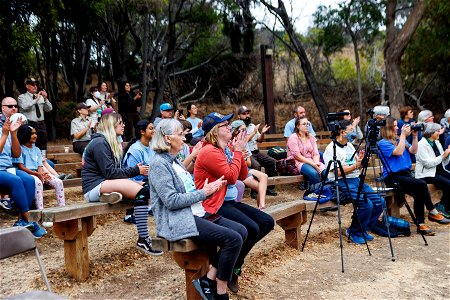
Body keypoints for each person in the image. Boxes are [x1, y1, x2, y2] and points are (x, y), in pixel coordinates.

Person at [149, 118, 244, 300]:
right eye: (180, 134)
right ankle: (220, 290)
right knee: (233, 239)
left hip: (195, 212)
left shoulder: (173, 161)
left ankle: (208, 280)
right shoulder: (159, 164)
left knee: (240, 230)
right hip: (176, 220)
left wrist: (209, 190)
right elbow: (171, 201)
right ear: (167, 139)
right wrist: (204, 192)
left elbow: (189, 191)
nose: (184, 138)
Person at [194, 112, 275, 294]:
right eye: (225, 125)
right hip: (214, 205)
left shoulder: (225, 149)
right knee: (250, 229)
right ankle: (224, 273)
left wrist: (241, 151)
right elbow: (231, 178)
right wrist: (237, 152)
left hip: (228, 201)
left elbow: (241, 175)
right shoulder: (209, 152)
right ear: (215, 131)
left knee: (266, 222)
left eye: (229, 123)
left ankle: (233, 267)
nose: (229, 126)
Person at [82, 112, 162, 255]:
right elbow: (110, 173)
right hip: (95, 186)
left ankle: (108, 195)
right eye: (120, 123)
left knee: (147, 190)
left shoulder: (109, 142)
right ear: (111, 125)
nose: (124, 125)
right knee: (142, 192)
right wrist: (136, 170)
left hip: (106, 183)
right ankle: (143, 238)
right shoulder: (100, 143)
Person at [378, 116, 449, 236]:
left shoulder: (398, 139)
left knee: (419, 191)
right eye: (394, 126)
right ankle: (432, 211)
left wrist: (415, 136)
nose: (397, 128)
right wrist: (403, 136)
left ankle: (421, 225)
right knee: (421, 184)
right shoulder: (382, 143)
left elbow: (413, 150)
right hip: (392, 176)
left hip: (405, 175)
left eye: (397, 125)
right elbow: (398, 152)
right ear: (387, 128)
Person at [323, 119, 384, 244]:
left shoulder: (350, 146)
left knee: (380, 202)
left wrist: (361, 162)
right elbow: (337, 172)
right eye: (351, 130)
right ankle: (353, 231)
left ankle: (363, 229)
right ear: (342, 132)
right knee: (367, 204)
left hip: (356, 179)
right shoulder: (331, 149)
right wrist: (356, 165)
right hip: (341, 181)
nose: (354, 133)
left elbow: (356, 164)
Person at [0, 97, 46, 237]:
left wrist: (13, 134)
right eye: (10, 106)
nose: (13, 108)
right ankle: (30, 220)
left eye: (15, 106)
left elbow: (16, 153)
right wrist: (5, 133)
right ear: (2, 108)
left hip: (8, 168)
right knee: (17, 181)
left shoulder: (13, 126)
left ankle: (21, 220)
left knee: (29, 180)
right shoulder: (3, 128)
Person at [15, 124, 65, 214]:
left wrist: (42, 174)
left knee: (58, 182)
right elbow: (21, 167)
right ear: (25, 135)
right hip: (27, 174)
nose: (35, 135)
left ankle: (62, 209)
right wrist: (37, 175)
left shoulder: (37, 149)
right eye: (32, 134)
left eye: (35, 133)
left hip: (37, 173)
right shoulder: (20, 149)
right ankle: (40, 212)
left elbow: (39, 166)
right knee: (38, 183)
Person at [237, 105, 278, 196]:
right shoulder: (238, 126)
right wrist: (254, 132)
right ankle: (255, 190)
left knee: (272, 162)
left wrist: (262, 133)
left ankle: (269, 187)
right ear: (238, 116)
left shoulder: (252, 126)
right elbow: (244, 140)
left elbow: (259, 140)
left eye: (248, 113)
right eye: (244, 114)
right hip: (247, 153)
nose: (247, 115)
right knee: (256, 166)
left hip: (256, 151)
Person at [122, 120, 155, 224]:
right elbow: (132, 176)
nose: (154, 131)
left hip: (148, 179)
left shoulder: (150, 147)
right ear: (142, 132)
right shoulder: (135, 150)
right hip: (134, 182)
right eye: (151, 128)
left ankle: (151, 207)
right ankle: (130, 214)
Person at [415, 122, 450, 219]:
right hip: (427, 174)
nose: (440, 133)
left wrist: (447, 155)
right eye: (437, 131)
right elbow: (428, 164)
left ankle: (446, 207)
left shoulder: (436, 142)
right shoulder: (421, 145)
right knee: (448, 184)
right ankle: (441, 206)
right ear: (430, 133)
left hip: (438, 171)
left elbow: (444, 161)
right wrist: (443, 155)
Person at [230, 120, 268, 209]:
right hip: (236, 170)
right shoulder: (230, 142)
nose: (245, 132)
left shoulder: (244, 142)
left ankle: (262, 205)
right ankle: (261, 208)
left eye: (246, 130)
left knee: (264, 176)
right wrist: (239, 155)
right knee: (260, 188)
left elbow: (249, 163)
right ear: (236, 131)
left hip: (244, 168)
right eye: (243, 130)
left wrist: (244, 157)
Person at [287, 117, 326, 197]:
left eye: (308, 124)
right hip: (298, 162)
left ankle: (327, 194)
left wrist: (316, 163)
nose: (307, 125)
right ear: (298, 126)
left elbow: (315, 153)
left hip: (312, 160)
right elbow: (297, 156)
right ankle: (315, 195)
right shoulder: (293, 137)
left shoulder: (311, 137)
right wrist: (313, 165)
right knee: (314, 174)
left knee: (325, 172)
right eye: (304, 124)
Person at [17, 78, 53, 150]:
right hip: (29, 124)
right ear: (27, 86)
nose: (35, 86)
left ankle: (43, 160)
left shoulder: (41, 97)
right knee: (29, 144)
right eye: (33, 84)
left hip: (41, 124)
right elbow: (24, 107)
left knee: (43, 144)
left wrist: (45, 99)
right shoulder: (22, 97)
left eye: (36, 85)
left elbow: (49, 109)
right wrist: (35, 100)